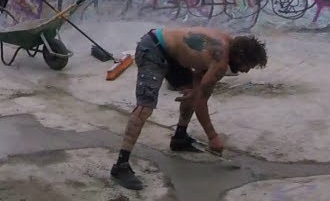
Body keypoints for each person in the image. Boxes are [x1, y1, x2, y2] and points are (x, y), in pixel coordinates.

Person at [110, 27, 268, 190]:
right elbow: (202, 102)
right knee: (145, 107)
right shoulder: (220, 60)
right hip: (153, 47)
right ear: (239, 56)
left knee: (193, 93)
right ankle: (120, 166)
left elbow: (200, 73)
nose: (246, 71)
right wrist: (212, 137)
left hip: (173, 55)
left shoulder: (229, 45)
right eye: (247, 65)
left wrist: (195, 91)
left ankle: (180, 137)